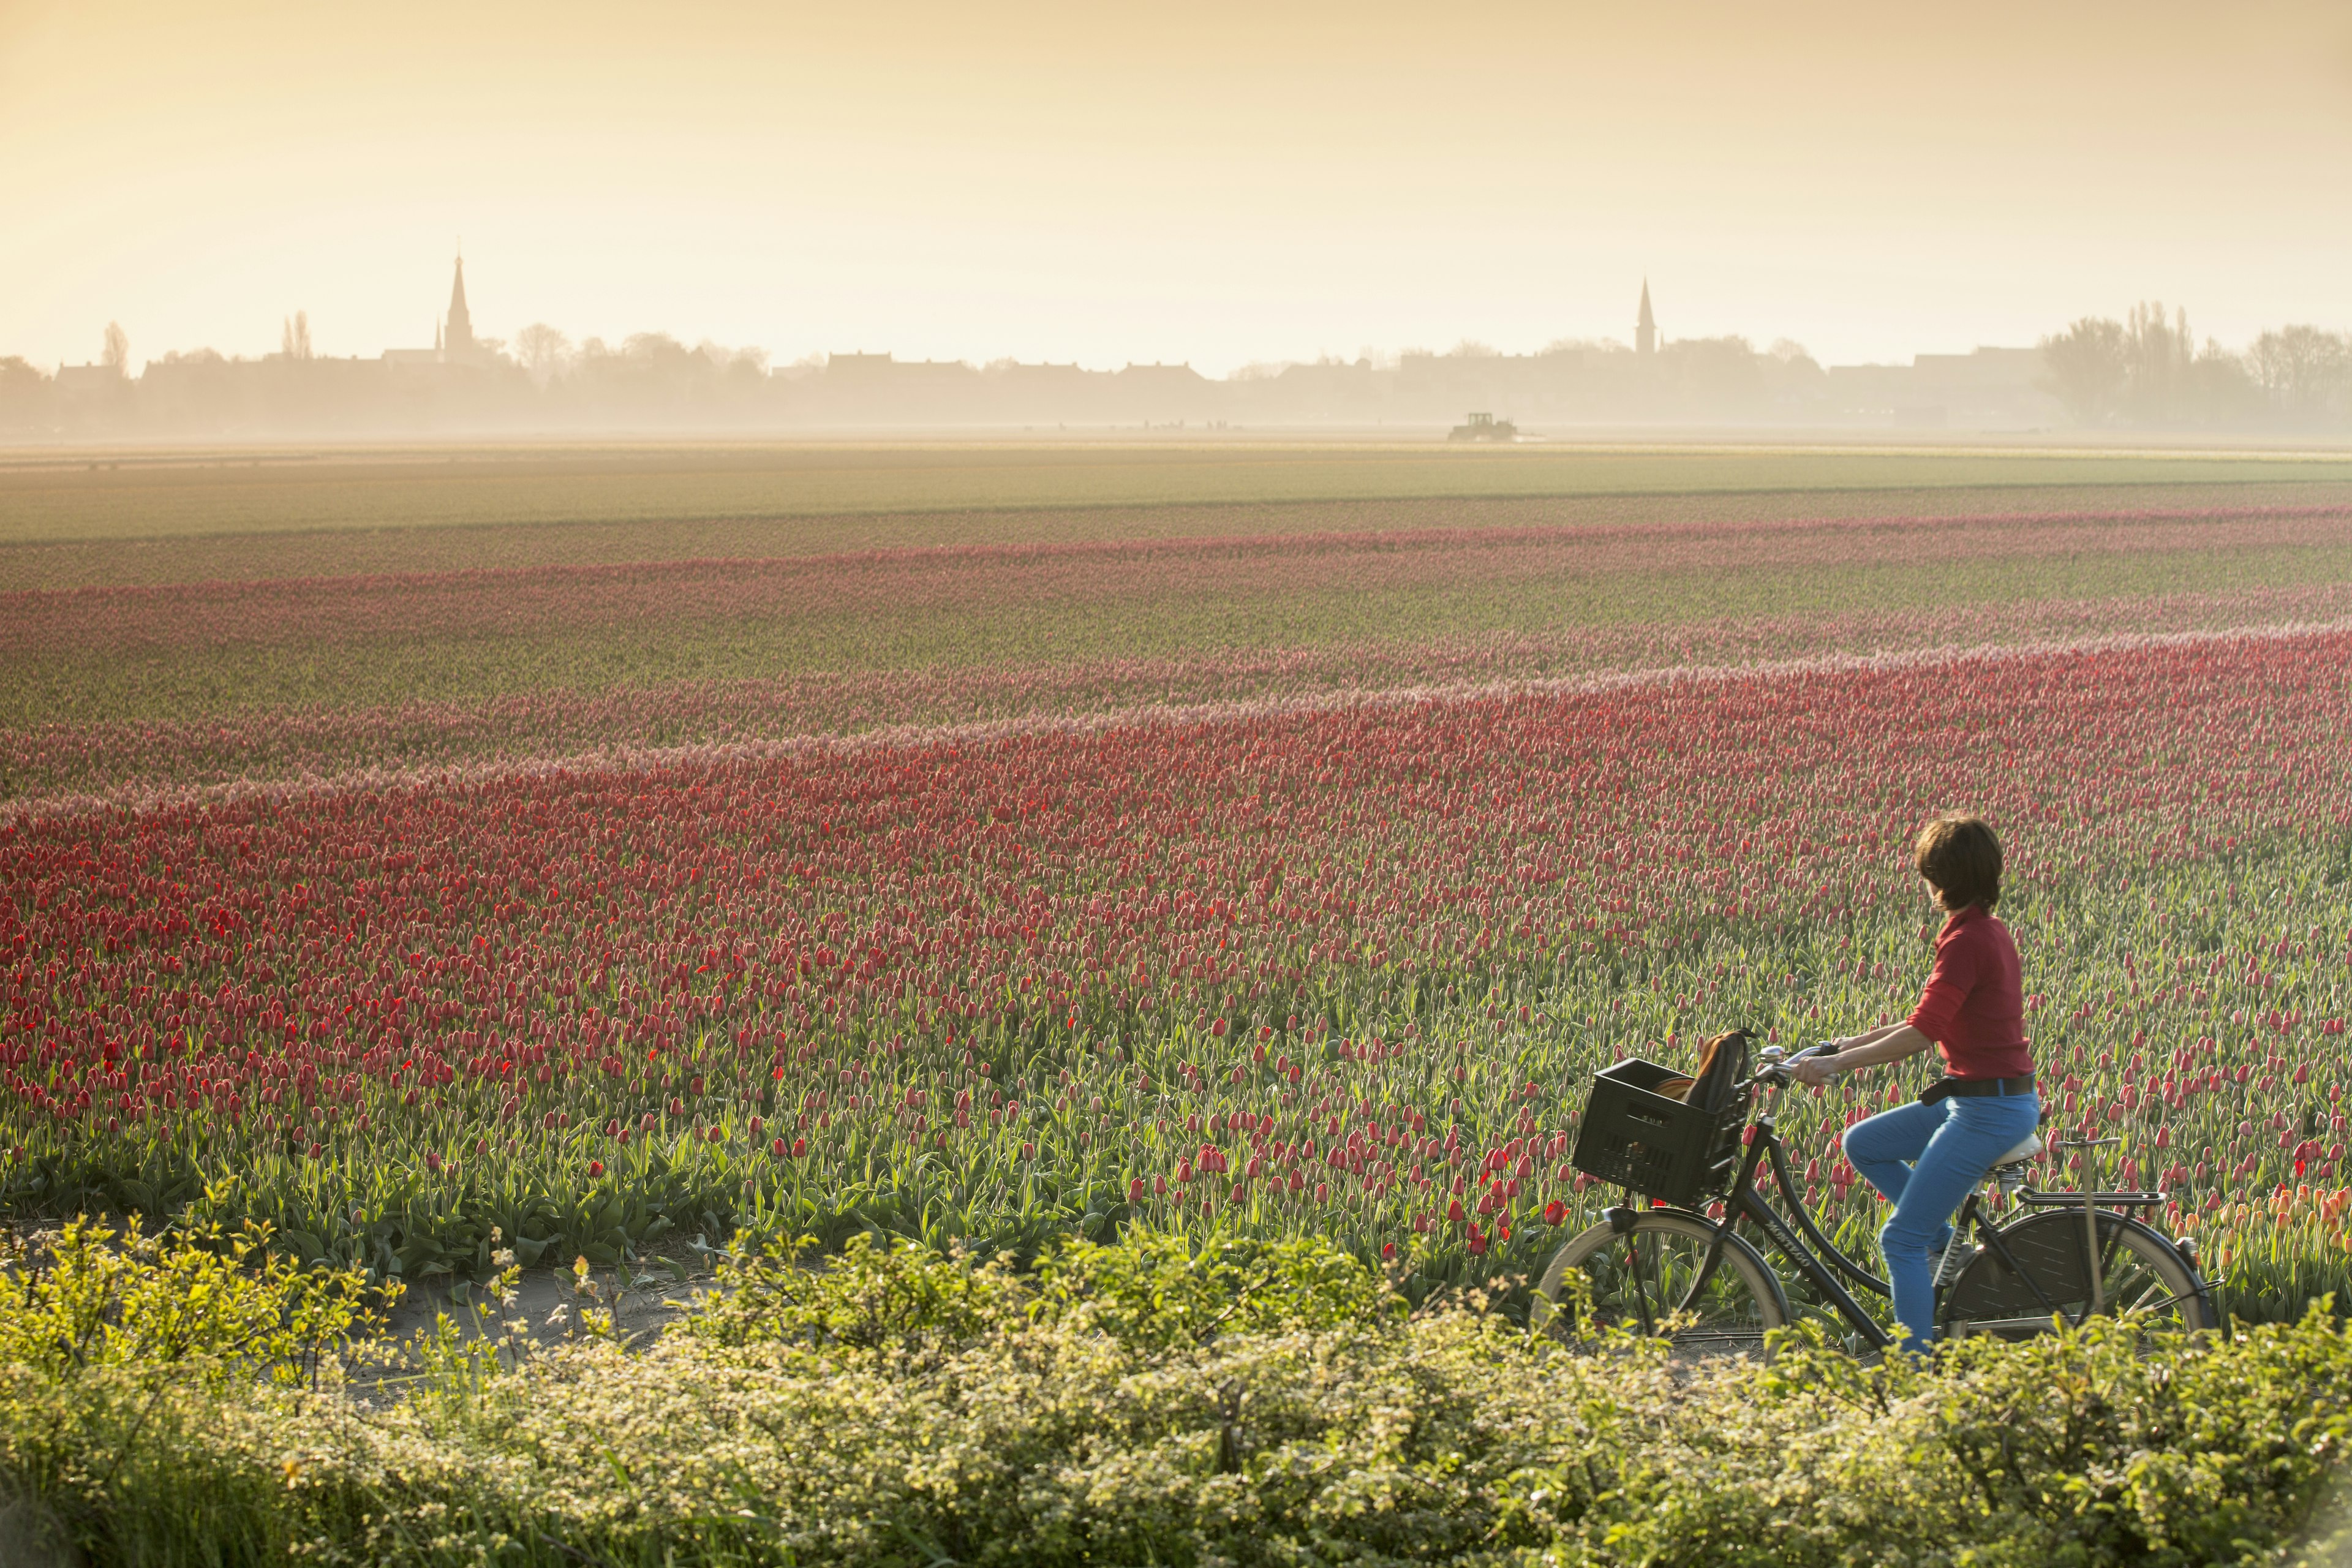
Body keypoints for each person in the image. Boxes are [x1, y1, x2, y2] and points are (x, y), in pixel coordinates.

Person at [1788, 812, 2038, 1355]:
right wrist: (1835, 1048)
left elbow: (1923, 1035)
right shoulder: (1983, 932)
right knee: (1863, 1143)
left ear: (1939, 881)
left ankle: (1913, 1371)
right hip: (1983, 1100)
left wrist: (1837, 1069)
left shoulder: (1968, 942)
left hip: (1986, 1112)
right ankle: (1952, 1254)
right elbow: (1920, 1020)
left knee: (1900, 1239)